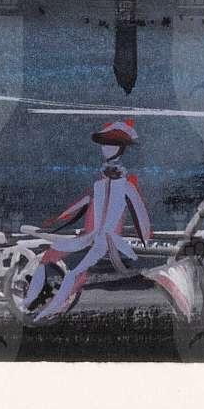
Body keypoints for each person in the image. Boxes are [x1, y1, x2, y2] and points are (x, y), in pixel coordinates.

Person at [21, 118, 152, 322]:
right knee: (47, 256)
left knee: (75, 273)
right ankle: (28, 301)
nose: (106, 148)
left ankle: (47, 312)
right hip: (90, 236)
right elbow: (82, 205)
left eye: (112, 144)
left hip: (107, 241)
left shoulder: (126, 186)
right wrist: (56, 221)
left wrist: (145, 240)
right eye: (105, 144)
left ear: (120, 149)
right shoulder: (99, 185)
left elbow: (140, 213)